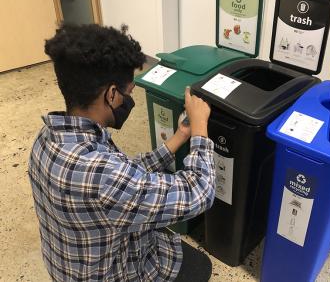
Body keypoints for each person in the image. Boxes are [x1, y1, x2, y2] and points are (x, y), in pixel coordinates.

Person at [28, 24, 216, 281]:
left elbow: (126, 175)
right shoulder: (102, 175)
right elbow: (200, 192)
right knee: (200, 266)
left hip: (72, 265)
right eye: (128, 93)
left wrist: (180, 136)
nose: (129, 100)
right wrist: (200, 128)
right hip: (114, 273)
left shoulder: (47, 137)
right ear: (112, 94)